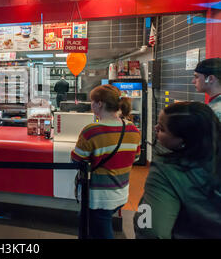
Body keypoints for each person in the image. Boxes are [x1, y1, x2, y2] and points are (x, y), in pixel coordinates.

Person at [134, 102, 221, 238]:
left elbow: (151, 230)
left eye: (162, 129)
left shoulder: (165, 172)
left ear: (184, 138)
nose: (155, 128)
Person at [71, 84, 141, 239]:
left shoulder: (92, 131)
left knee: (100, 232)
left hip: (99, 197)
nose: (91, 105)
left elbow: (76, 160)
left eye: (92, 101)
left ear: (100, 103)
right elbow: (135, 156)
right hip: (121, 192)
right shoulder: (132, 129)